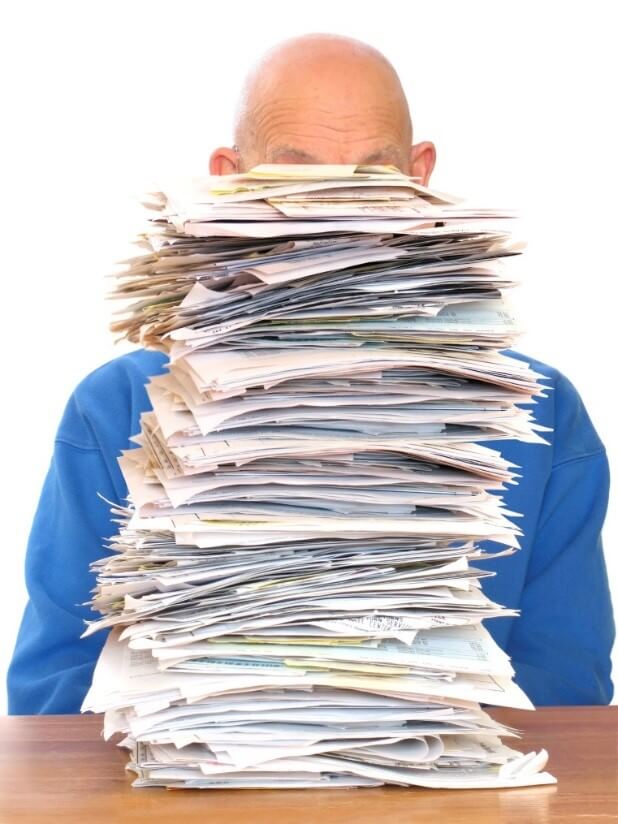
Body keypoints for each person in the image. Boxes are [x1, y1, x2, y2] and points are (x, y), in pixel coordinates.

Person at [7, 33, 614, 714]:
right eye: (299, 176)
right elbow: (50, 693)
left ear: (418, 177)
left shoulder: (537, 412)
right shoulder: (115, 408)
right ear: (231, 179)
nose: (338, 212)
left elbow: (568, 694)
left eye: (371, 176)